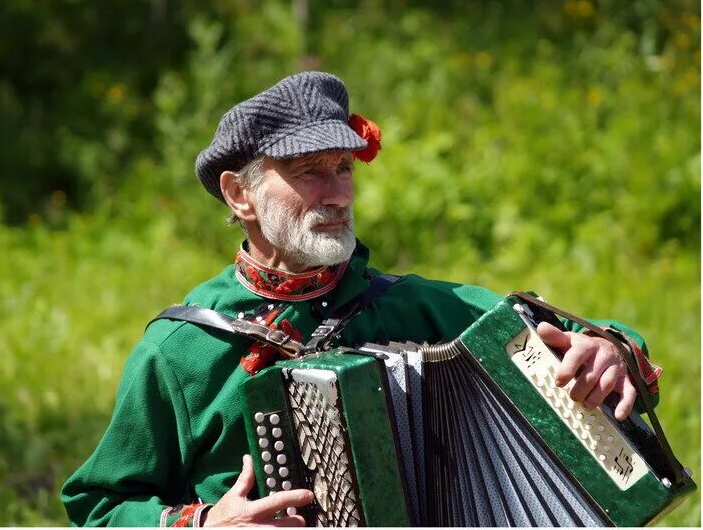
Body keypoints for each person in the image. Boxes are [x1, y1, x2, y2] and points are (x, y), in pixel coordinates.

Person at [61, 71, 661, 527]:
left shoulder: (424, 309)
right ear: (238, 195)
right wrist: (202, 523)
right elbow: (99, 503)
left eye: (344, 169)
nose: (338, 194)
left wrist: (607, 348)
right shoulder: (183, 351)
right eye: (309, 172)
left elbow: (589, 337)